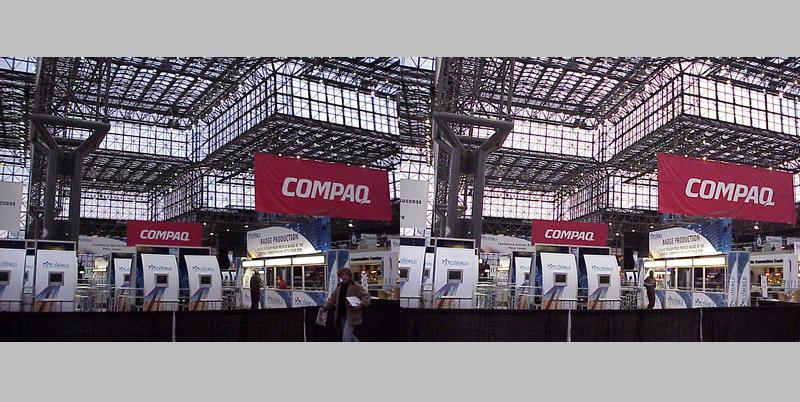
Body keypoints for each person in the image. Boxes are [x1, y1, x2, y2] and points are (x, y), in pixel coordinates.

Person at [323, 268, 371, 342]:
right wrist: (325, 306)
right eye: (342, 275)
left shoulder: (355, 286)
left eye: (346, 275)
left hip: (352, 314)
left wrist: (362, 304)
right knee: (349, 335)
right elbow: (332, 298)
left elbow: (366, 296)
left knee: (346, 337)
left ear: (349, 276)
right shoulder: (339, 286)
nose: (344, 276)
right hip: (341, 314)